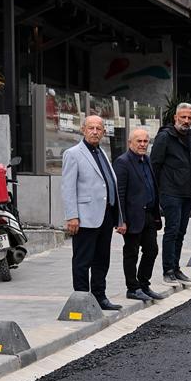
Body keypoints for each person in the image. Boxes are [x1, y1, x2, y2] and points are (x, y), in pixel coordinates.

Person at [60, 115, 122, 311]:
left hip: (105, 215)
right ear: (83, 130)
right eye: (91, 128)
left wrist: (118, 216)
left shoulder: (102, 152)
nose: (95, 132)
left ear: (103, 132)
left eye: (98, 128)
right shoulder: (73, 153)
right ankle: (82, 300)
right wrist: (72, 216)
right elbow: (68, 187)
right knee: (82, 260)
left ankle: (99, 296)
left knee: (102, 259)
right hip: (84, 216)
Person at [114, 127, 167, 304]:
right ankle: (133, 288)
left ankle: (143, 284)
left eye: (146, 141)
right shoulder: (123, 162)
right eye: (139, 141)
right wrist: (121, 220)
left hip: (149, 216)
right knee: (131, 253)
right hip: (131, 217)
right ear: (130, 143)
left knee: (152, 250)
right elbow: (119, 193)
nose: (143, 144)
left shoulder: (147, 160)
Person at [151, 102, 191, 283]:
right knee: (171, 231)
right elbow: (154, 164)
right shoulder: (165, 137)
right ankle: (168, 270)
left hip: (187, 193)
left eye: (189, 118)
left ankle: (176, 267)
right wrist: (156, 193)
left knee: (181, 231)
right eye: (183, 117)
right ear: (175, 118)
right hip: (170, 192)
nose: (186, 121)